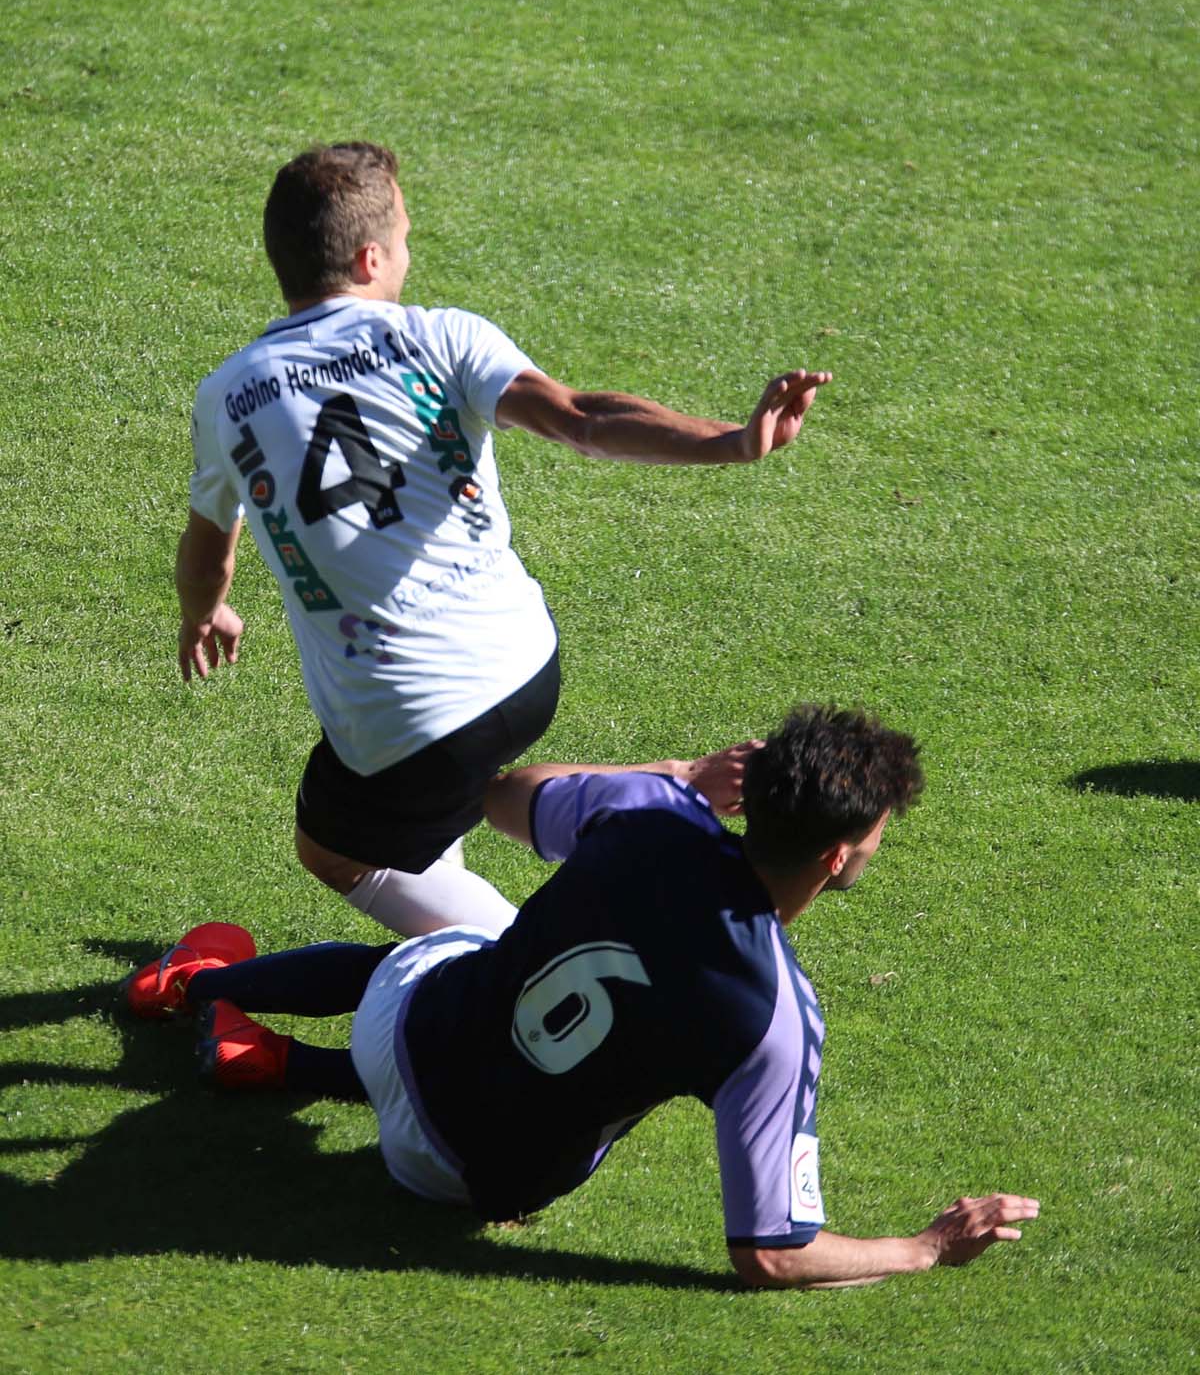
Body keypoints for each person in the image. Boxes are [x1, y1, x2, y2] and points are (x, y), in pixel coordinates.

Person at [125, 705, 1038, 1289]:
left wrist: (678, 777)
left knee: (460, 949)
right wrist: (924, 1247)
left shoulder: (648, 814)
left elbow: (505, 797)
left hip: (397, 1042)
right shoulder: (777, 1020)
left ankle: (200, 983)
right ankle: (277, 1062)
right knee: (538, 1026)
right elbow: (772, 1251)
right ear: (839, 856)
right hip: (463, 1183)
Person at [175, 140, 832, 941]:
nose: (410, 255)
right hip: (524, 665)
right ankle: (617, 804)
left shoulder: (227, 397)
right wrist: (730, 440)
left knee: (334, 850)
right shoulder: (441, 338)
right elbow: (584, 420)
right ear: (369, 255)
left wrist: (205, 613)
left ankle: (521, 960)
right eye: (408, 239)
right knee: (453, 787)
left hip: (406, 720)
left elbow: (211, 550)